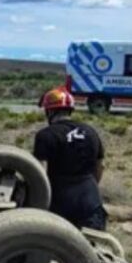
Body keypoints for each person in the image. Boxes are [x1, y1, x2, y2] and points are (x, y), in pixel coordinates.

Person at [33, 87, 107, 230]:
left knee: (57, 250)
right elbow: (101, 165)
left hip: (60, 205)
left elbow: (41, 172)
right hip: (91, 202)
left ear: (49, 111)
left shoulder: (45, 135)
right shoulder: (91, 132)